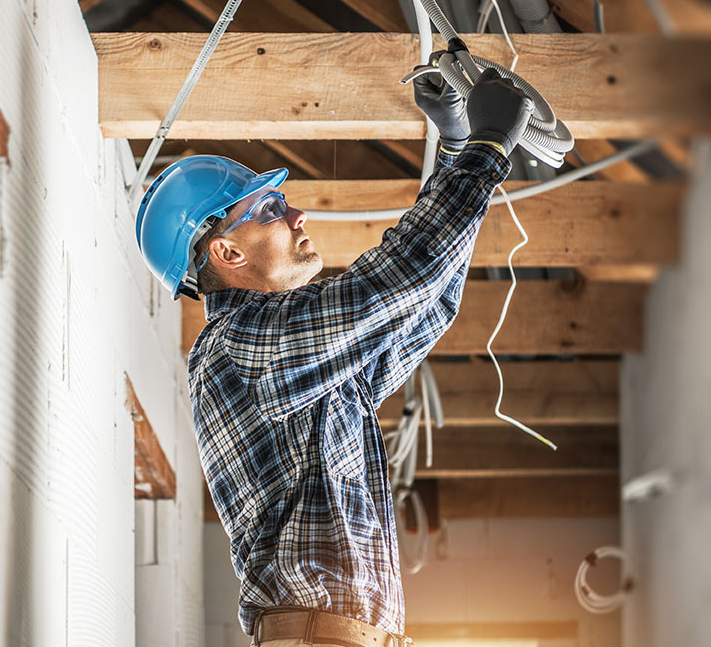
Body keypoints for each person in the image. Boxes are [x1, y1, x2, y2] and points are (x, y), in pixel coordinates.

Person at [134, 62, 534, 646]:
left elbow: (427, 302)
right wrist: (483, 149)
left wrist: (455, 150)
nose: (296, 215)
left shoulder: (304, 368)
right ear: (225, 251)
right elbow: (399, 283)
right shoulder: (241, 349)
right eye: (268, 210)